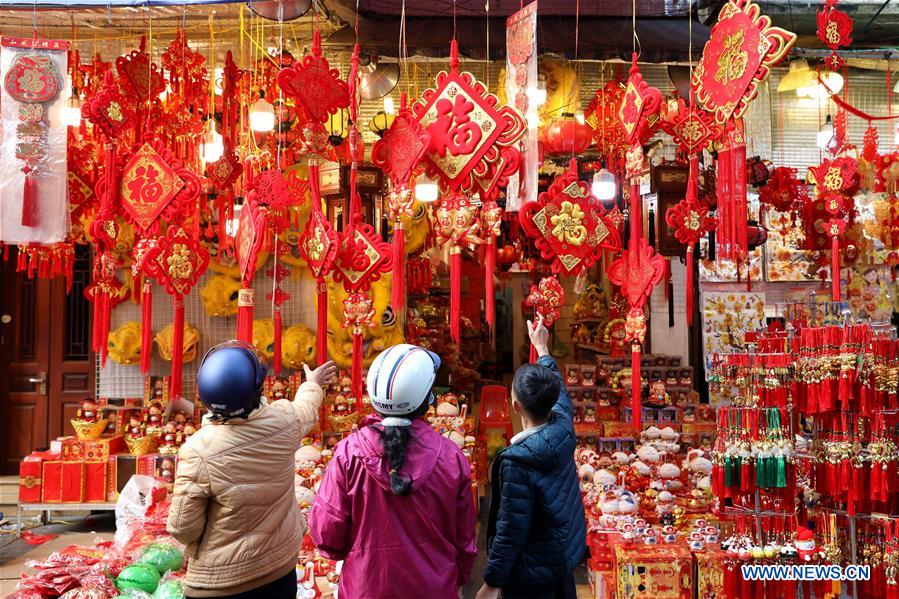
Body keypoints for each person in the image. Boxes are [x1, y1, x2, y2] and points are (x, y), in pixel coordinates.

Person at [167, 341, 338, 599]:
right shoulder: (283, 421)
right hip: (278, 571)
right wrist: (312, 383)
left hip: (221, 583)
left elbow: (182, 528)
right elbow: (306, 408)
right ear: (256, 388)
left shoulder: (198, 449)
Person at [310, 343, 477, 599]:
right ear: (427, 400)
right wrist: (459, 578)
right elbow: (464, 541)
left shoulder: (347, 454)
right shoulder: (451, 457)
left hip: (365, 587)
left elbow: (327, 536)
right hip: (434, 588)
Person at [477, 316, 587, 599]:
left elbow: (511, 529)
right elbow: (559, 389)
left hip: (531, 574)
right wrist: (542, 348)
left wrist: (492, 581)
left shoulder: (517, 461)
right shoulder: (563, 425)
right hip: (561, 558)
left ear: (515, 405)